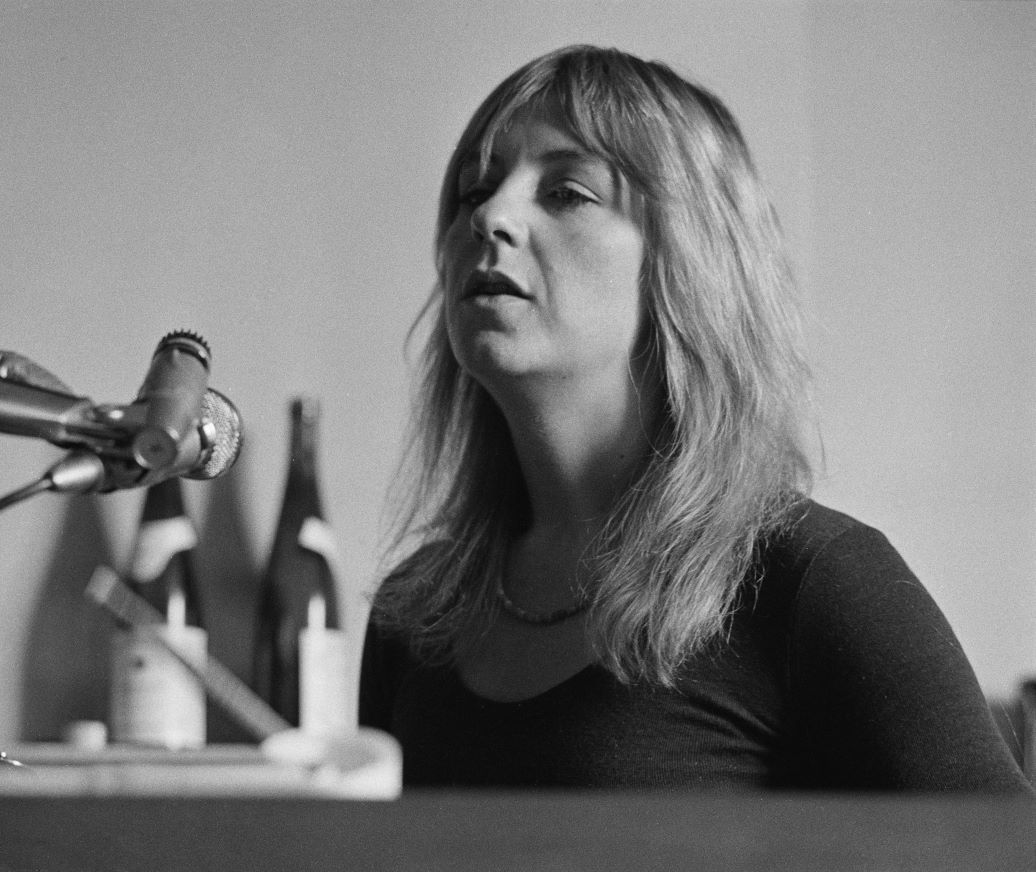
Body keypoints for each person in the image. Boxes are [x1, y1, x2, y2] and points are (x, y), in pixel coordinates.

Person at [358, 44, 1031, 792]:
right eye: (474, 189)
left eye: (567, 192)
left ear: (685, 261)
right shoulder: (412, 618)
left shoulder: (814, 584)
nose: (489, 215)